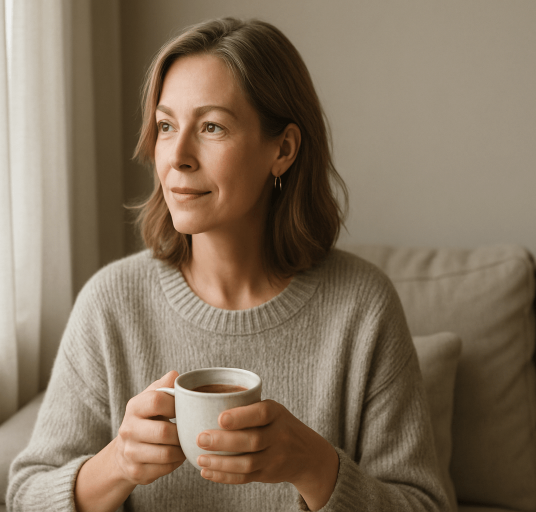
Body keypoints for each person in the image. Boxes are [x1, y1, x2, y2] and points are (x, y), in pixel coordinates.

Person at [6, 17, 451, 512]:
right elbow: (25, 496)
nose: (177, 157)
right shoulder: (110, 303)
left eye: (212, 127)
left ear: (283, 149)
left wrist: (315, 466)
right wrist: (117, 464)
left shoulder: (363, 306)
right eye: (166, 126)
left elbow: (425, 504)